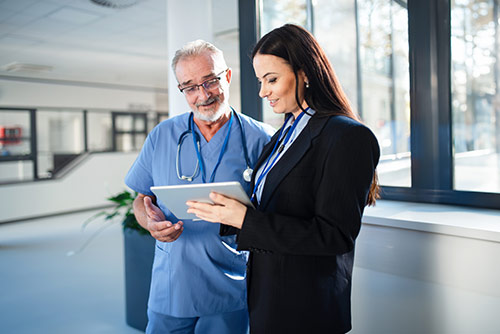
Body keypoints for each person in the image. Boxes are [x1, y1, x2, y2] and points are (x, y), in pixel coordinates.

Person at [187, 24, 380, 334]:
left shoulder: (346, 136)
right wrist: (231, 212)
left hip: (307, 308)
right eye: (260, 81)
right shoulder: (281, 136)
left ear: (305, 73)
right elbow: (277, 206)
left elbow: (335, 236)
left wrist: (246, 219)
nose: (263, 91)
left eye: (272, 79)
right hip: (267, 296)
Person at [125, 40, 274, 334]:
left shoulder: (261, 139)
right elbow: (142, 198)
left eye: (211, 81)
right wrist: (150, 223)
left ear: (227, 77)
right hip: (171, 287)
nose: (202, 95)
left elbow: (276, 214)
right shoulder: (162, 136)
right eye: (190, 87)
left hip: (231, 286)